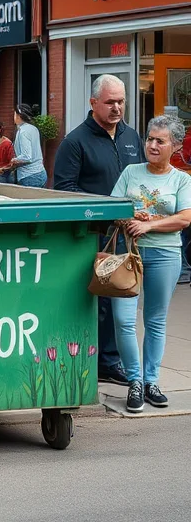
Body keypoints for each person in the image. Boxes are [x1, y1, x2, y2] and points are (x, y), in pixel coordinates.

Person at [54, 73, 145, 386]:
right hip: (92, 236)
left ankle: (110, 360)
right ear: (93, 102)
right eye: (110, 102)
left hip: (127, 235)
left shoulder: (132, 137)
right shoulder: (75, 142)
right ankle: (101, 361)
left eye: (121, 101)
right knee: (100, 301)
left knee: (121, 298)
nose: (117, 108)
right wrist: (105, 213)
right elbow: (64, 190)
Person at [109, 114, 191, 412]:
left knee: (155, 320)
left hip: (165, 255)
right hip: (128, 255)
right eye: (150, 139)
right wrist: (130, 217)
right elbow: (113, 207)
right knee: (124, 319)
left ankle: (151, 381)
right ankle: (134, 380)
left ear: (175, 146)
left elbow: (185, 218)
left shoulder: (182, 179)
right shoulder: (131, 171)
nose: (152, 145)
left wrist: (149, 225)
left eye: (160, 141)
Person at [7, 105, 46, 187]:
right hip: (41, 172)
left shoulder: (23, 132)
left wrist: (14, 160)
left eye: (14, 114)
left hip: (29, 176)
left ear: (18, 116)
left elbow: (27, 156)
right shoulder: (34, 128)